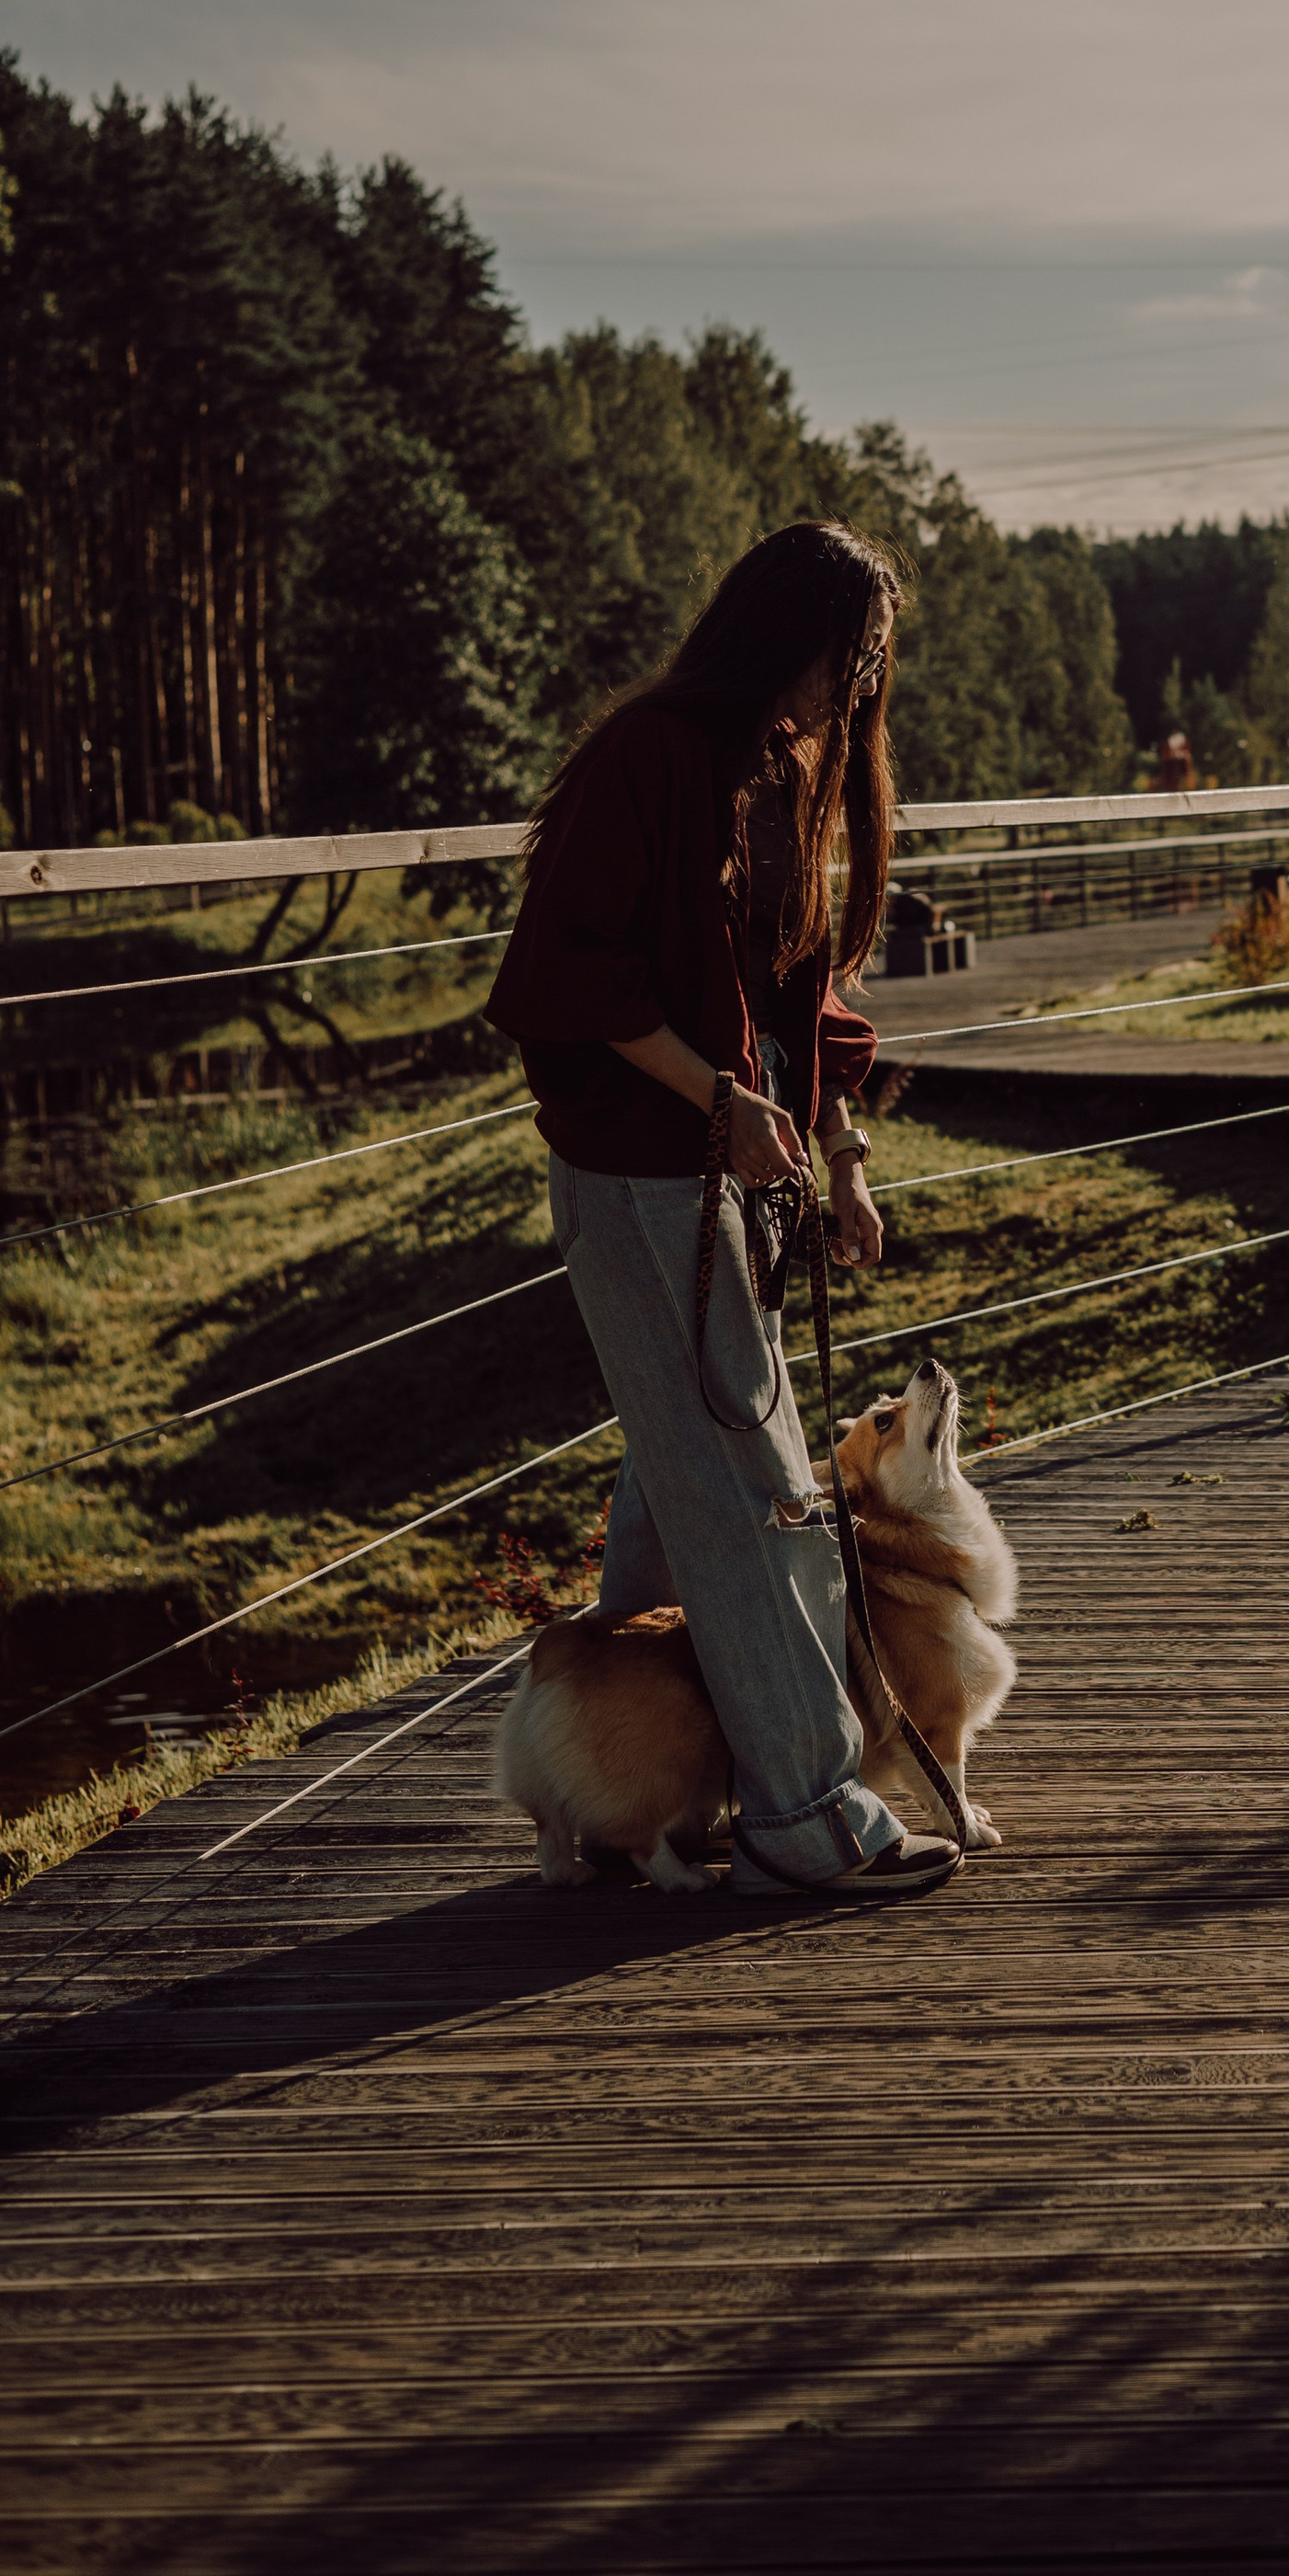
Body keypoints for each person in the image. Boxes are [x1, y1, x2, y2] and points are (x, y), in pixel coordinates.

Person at [486, 518, 958, 1898]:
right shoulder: (650, 755)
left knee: (676, 1480)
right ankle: (802, 1814)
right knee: (755, 1492)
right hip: (646, 1177)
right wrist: (716, 1104)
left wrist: (843, 1152)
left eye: (870, 663)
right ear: (778, 633)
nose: (855, 685)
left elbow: (795, 999)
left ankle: (629, 1790)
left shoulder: (783, 771)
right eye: (845, 654)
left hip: (728, 1174)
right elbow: (570, 972)